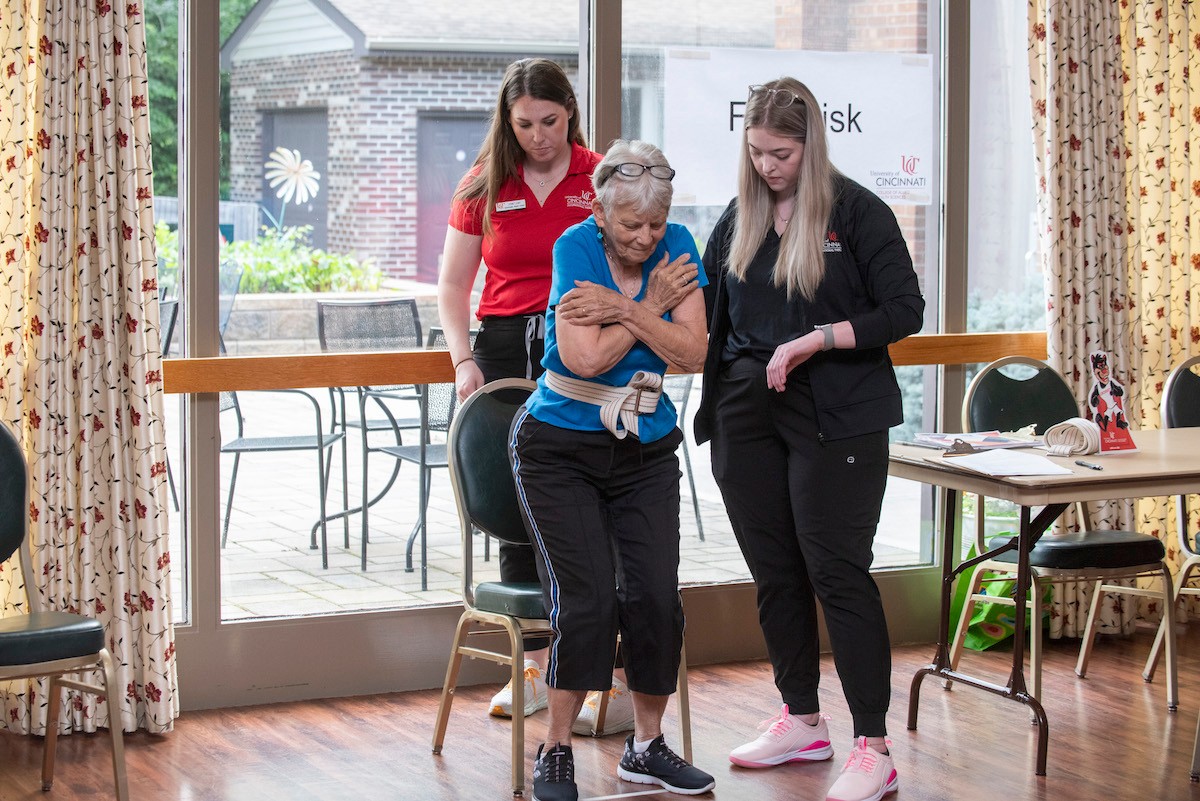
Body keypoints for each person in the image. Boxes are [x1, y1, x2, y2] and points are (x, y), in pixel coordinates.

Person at [694, 78, 924, 801]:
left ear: (811, 143)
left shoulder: (856, 212)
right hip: (747, 408)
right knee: (776, 570)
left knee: (837, 571)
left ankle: (874, 745)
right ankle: (800, 717)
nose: (769, 166)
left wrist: (819, 338)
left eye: (783, 153)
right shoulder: (740, 218)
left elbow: (905, 310)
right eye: (758, 152)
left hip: (837, 412)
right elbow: (708, 312)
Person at [510, 140, 715, 801]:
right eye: (632, 225)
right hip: (557, 448)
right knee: (590, 597)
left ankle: (646, 747)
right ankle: (556, 748)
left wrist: (627, 308)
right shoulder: (574, 247)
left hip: (645, 447)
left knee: (655, 594)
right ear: (600, 210)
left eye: (655, 224)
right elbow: (584, 359)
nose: (646, 236)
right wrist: (655, 312)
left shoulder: (678, 245)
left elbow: (693, 353)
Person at [439, 57, 632, 730]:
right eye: (524, 124)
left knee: (589, 499)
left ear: (570, 114)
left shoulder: (604, 177)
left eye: (550, 122)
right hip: (500, 349)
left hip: (581, 347)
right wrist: (465, 360)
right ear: (507, 121)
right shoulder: (483, 181)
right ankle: (537, 668)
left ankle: (601, 671)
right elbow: (452, 285)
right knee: (517, 501)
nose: (538, 136)